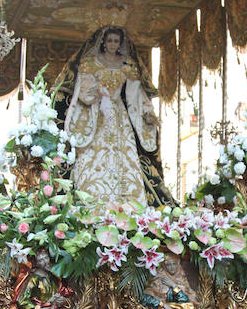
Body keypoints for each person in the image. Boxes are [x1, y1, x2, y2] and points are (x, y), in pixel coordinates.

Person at [60, 26, 173, 206]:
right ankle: (92, 197)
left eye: (116, 41)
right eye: (110, 40)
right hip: (97, 113)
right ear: (103, 42)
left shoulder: (127, 64)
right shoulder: (90, 63)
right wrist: (96, 92)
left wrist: (147, 111)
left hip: (119, 115)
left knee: (124, 155)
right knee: (94, 155)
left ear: (120, 43)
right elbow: (83, 90)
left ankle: (127, 201)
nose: (113, 44)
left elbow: (136, 94)